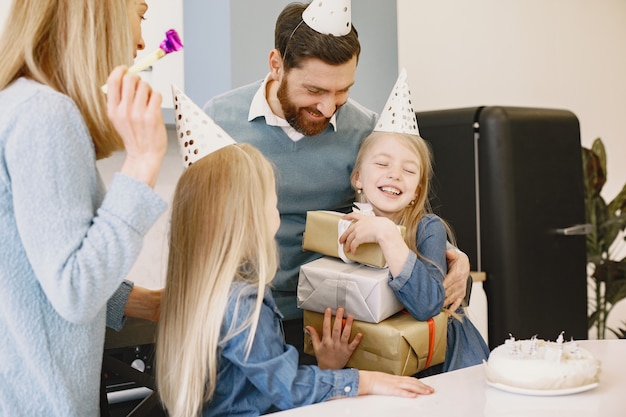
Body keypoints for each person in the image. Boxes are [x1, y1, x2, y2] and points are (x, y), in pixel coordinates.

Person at [203, 1, 471, 360]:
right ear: (276, 65)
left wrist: (454, 257)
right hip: (248, 317)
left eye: (342, 91)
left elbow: (399, 215)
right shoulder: (219, 119)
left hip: (336, 320)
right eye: (315, 91)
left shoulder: (365, 128)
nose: (329, 107)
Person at [156, 142, 434, 417]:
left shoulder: (197, 290)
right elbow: (286, 387)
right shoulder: (242, 302)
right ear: (250, 218)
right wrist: (367, 381)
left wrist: (327, 370)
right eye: (273, 203)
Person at [0, 0, 168, 415]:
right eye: (140, 14)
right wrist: (143, 160)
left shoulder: (18, 103)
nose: (142, 39)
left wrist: (141, 302)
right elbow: (74, 290)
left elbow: (35, 273)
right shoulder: (46, 115)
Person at [338, 70, 490, 375]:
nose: (394, 174)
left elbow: (428, 304)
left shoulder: (428, 228)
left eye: (408, 170)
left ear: (416, 192)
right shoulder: (343, 223)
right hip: (380, 363)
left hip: (446, 368)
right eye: (382, 163)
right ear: (358, 177)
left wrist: (387, 234)